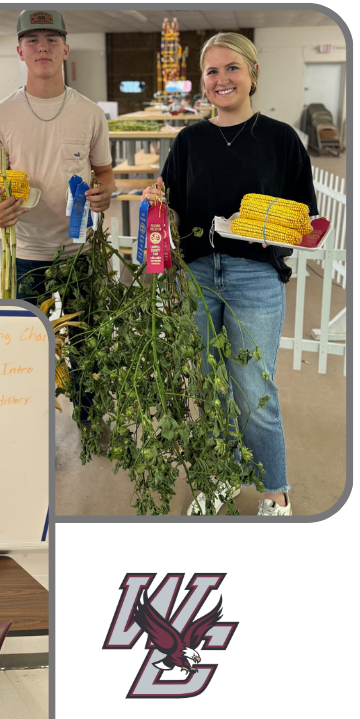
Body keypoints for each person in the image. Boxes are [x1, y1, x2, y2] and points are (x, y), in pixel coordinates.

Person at [143, 32, 317, 517]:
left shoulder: (281, 139)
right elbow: (172, 204)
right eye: (212, 71)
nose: (222, 79)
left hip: (254, 277)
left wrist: (278, 234)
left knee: (254, 389)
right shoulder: (189, 140)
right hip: (198, 274)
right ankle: (218, 474)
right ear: (203, 82)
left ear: (253, 74)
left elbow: (307, 217)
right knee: (207, 384)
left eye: (232, 68)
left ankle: (275, 492)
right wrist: (157, 202)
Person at [0, 9, 115, 300]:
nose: (42, 47)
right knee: (29, 342)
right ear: (20, 51)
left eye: (51, 39)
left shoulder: (91, 113)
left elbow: (103, 172)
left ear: (65, 50)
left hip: (82, 251)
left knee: (84, 342)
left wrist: (105, 191)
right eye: (32, 40)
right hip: (24, 252)